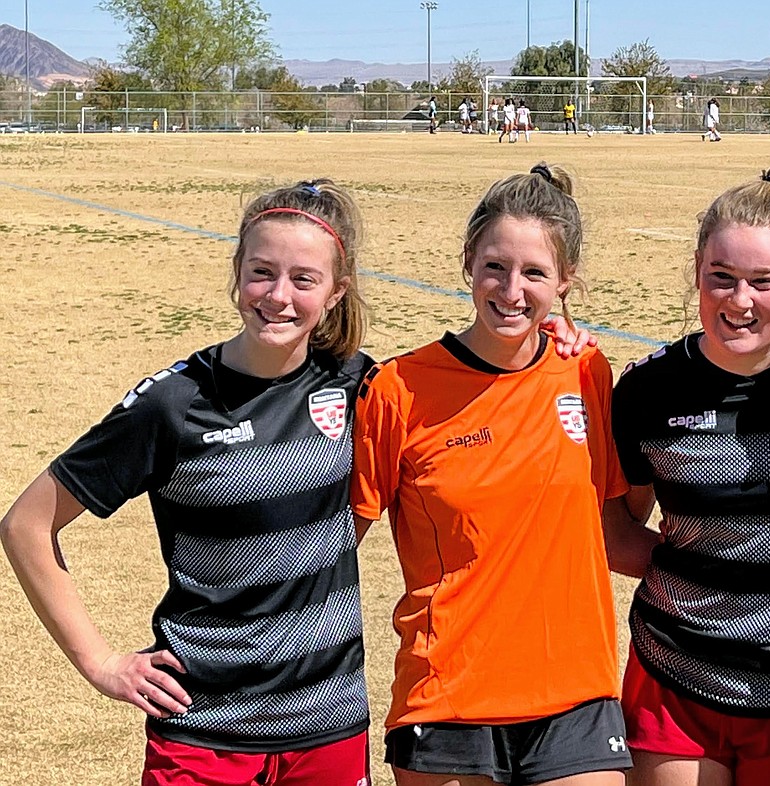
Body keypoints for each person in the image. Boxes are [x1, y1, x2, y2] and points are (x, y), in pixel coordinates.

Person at [0, 180, 375, 785]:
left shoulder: (365, 388)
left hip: (330, 726)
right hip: (202, 732)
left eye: (304, 279)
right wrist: (99, 663)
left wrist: (559, 343)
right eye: (262, 272)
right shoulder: (174, 403)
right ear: (236, 273)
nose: (278, 296)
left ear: (337, 291)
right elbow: (25, 525)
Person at [351, 163, 632, 786]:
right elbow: (335, 544)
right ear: (467, 263)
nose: (512, 289)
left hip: (576, 696)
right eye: (495, 267)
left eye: (535, 273)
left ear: (565, 281)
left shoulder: (586, 373)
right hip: (448, 696)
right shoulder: (399, 389)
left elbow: (613, 525)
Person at [605, 166, 770, 786]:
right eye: (720, 278)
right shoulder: (649, 389)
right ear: (698, 270)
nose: (739, 300)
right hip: (675, 679)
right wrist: (709, 580)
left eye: (763, 281)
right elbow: (619, 534)